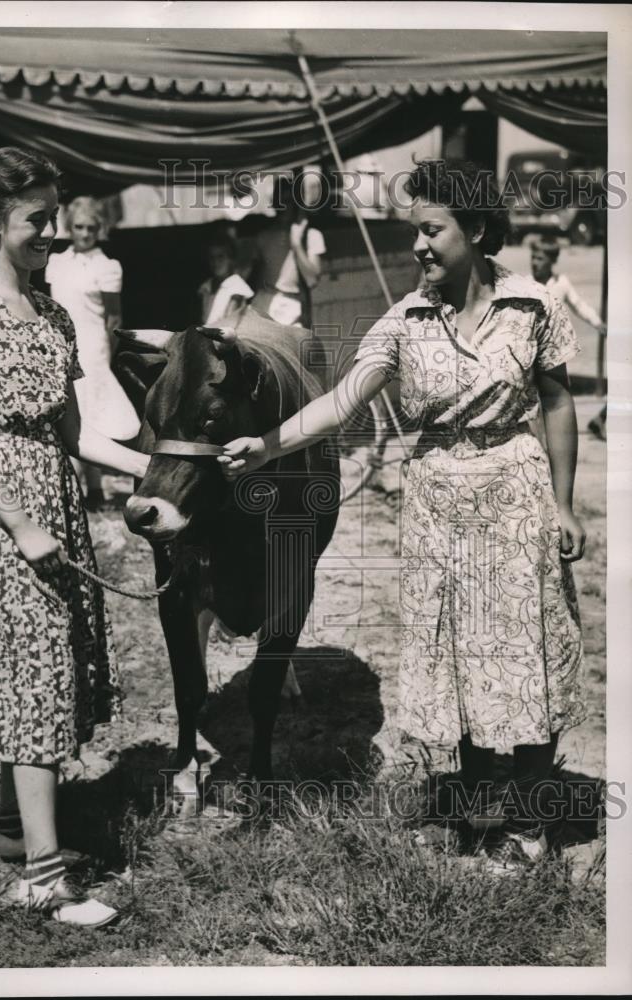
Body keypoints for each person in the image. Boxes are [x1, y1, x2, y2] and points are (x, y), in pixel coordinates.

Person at [220, 159, 586, 870]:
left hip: (515, 491)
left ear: (475, 229)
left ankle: (532, 818)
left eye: (430, 229)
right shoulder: (403, 320)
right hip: (437, 500)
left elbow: (559, 402)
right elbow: (339, 403)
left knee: (525, 652)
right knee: (460, 655)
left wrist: (565, 505)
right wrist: (265, 446)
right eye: (412, 230)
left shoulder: (534, 307)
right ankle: (480, 808)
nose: (417, 245)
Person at [0, 147, 150, 926]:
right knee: (29, 679)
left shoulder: (54, 314)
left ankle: (17, 833)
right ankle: (45, 881)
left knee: (48, 670)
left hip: (56, 505)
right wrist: (20, 524)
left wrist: (155, 467)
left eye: (54, 219)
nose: (49, 234)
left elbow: (77, 433)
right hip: (1, 517)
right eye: (35, 220)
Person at [45, 196, 140, 510]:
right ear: (69, 228)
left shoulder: (107, 266)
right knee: (66, 413)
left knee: (90, 416)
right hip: (61, 343)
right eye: (78, 227)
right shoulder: (56, 262)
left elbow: (114, 317)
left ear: (100, 229)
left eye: (90, 228)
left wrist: (106, 357)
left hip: (94, 347)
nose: (84, 234)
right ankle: (74, 490)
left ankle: (96, 489)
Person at [530, 237, 608, 441]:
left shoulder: (561, 283)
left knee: (555, 397)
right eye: (533, 257)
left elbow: (578, 304)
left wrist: (598, 323)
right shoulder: (524, 283)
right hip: (529, 349)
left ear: (551, 261)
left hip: (553, 351)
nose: (535, 262)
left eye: (540, 258)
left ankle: (554, 438)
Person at [248, 168, 326, 328]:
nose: (285, 207)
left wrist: (297, 244)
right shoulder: (263, 237)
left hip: (293, 307)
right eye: (281, 201)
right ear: (275, 204)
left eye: (290, 201)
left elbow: (312, 279)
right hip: (265, 303)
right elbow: (254, 278)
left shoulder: (311, 236)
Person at [198, 231, 254, 325]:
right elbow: (202, 318)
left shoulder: (236, 288)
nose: (215, 262)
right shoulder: (207, 286)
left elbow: (229, 325)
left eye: (220, 257)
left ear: (231, 259)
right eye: (212, 257)